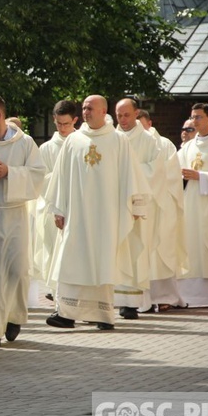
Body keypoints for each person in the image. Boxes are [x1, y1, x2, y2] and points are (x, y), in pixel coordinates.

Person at [45, 95, 149, 331]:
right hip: (77, 215)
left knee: (102, 262)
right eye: (83, 108)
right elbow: (61, 178)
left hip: (107, 216)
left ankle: (103, 315)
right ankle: (66, 313)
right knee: (72, 259)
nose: (85, 112)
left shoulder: (118, 141)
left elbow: (131, 177)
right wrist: (59, 209)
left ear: (104, 111)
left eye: (90, 108)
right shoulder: (73, 140)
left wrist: (135, 207)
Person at [0, 94, 44, 348]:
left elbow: (38, 175)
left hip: (15, 213)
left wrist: (9, 173)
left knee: (18, 270)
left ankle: (14, 316)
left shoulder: (24, 143)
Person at [114, 98, 161, 317]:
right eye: (119, 115)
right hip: (112, 205)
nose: (122, 119)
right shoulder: (109, 139)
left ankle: (130, 303)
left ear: (136, 114)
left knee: (134, 251)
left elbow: (155, 171)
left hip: (135, 205)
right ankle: (110, 299)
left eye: (126, 115)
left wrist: (128, 173)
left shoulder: (147, 140)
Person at [137, 109, 187, 309]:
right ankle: (137, 298)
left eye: (142, 124)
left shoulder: (164, 144)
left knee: (161, 252)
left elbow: (171, 176)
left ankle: (163, 297)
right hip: (137, 206)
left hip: (161, 205)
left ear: (150, 123)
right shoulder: (126, 142)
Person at [178, 103, 208, 306]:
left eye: (199, 117)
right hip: (191, 203)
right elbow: (173, 170)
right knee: (190, 244)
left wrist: (200, 176)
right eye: (193, 117)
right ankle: (190, 296)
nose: (195, 121)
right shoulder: (188, 147)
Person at [33, 100, 77, 291]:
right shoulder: (46, 149)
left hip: (78, 207)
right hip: (54, 208)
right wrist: (63, 177)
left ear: (75, 120)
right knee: (54, 254)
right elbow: (41, 181)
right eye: (58, 123)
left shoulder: (82, 144)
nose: (62, 128)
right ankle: (57, 293)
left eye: (66, 123)